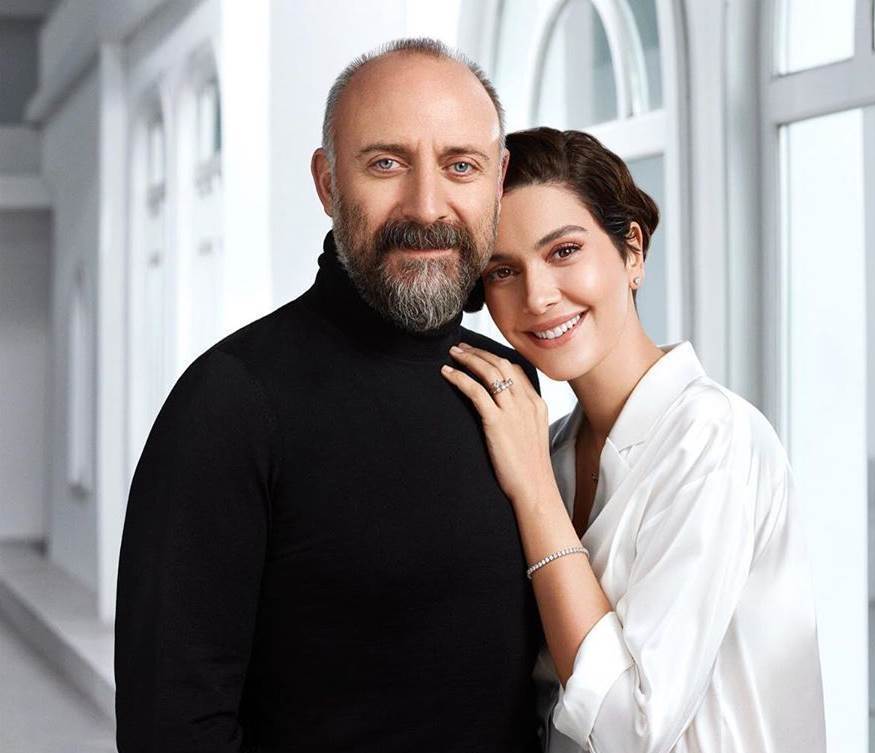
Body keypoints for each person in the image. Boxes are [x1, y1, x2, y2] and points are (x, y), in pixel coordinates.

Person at [115, 39, 545, 752]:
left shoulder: (510, 380)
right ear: (327, 183)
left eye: (460, 165)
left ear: (497, 181)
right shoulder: (230, 401)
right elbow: (173, 725)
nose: (426, 205)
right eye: (386, 163)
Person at [441, 127, 826, 753]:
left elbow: (632, 731)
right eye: (503, 270)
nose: (537, 296)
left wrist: (533, 491)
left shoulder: (712, 438)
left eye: (564, 251)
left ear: (633, 252)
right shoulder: (550, 450)